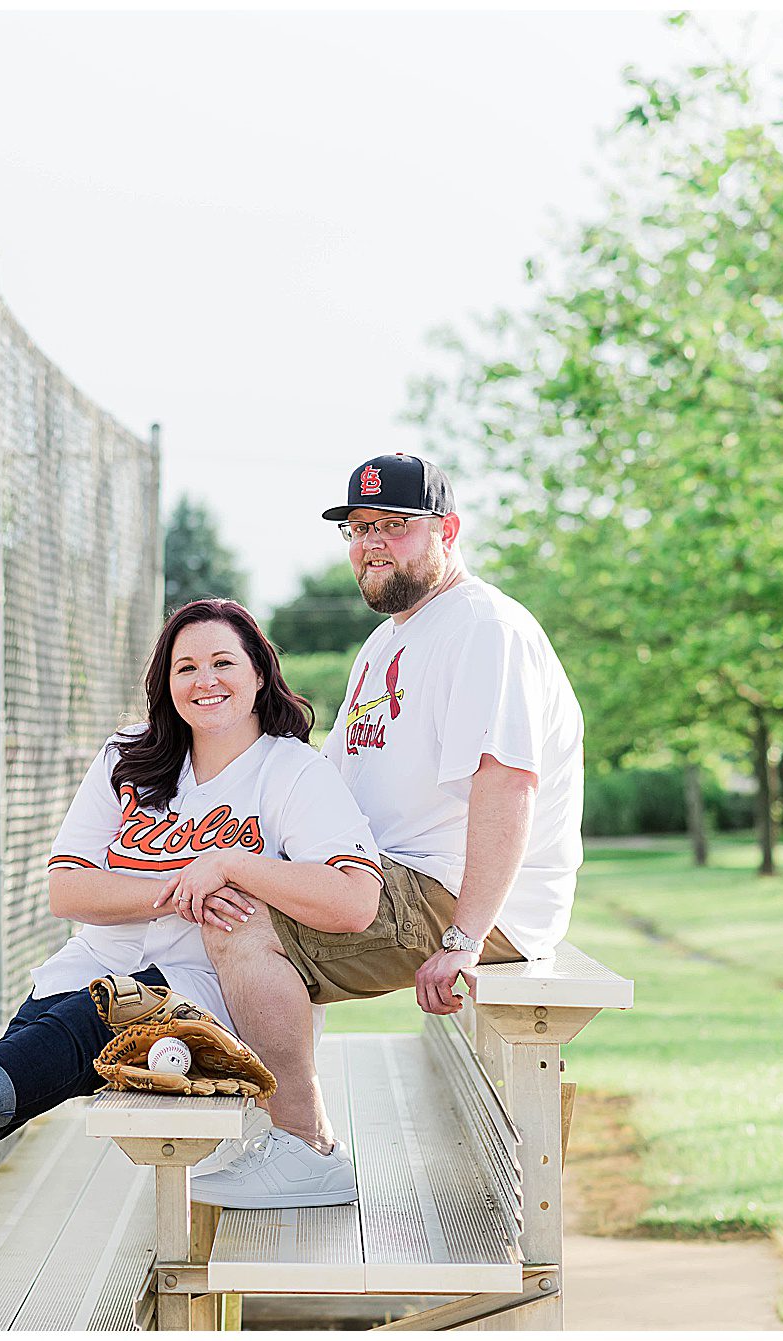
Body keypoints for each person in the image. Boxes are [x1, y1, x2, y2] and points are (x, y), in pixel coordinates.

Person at [0, 597, 382, 1211]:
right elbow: (67, 887)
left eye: (223, 663)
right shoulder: (129, 756)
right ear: (166, 683)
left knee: (65, 1037)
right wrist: (186, 883)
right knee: (32, 1056)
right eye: (185, 668)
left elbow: (354, 899)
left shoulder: (291, 771)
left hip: (207, 987)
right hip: (92, 962)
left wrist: (233, 866)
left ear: (259, 673)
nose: (205, 681)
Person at [189, 452, 584, 1210]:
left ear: (449, 530)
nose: (372, 543)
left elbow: (507, 786)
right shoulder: (388, 642)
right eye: (360, 528)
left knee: (241, 925)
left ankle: (304, 1149)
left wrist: (465, 936)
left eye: (395, 527)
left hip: (454, 891)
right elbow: (331, 773)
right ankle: (269, 1121)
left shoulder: (481, 627)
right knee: (226, 891)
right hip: (398, 877)